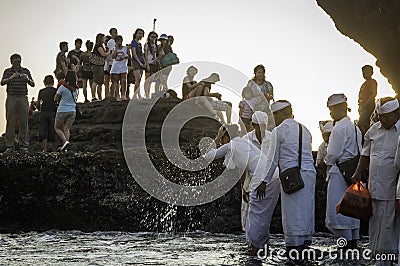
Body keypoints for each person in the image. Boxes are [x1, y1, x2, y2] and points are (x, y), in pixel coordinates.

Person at [253, 100, 316, 263]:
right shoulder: (305, 129)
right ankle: (305, 244)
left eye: (275, 115)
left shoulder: (278, 131)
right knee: (306, 210)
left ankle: (293, 249)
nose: (274, 119)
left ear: (280, 114)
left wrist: (263, 181)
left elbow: (273, 159)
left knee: (292, 213)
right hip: (309, 175)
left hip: (292, 177)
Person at [352, 97, 400, 265]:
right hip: (374, 187)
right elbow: (365, 154)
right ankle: (375, 257)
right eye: (380, 116)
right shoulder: (374, 130)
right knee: (374, 225)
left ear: (396, 113)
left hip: (392, 189)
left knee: (388, 227)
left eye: (386, 116)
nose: (383, 119)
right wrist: (358, 172)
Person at [324, 94, 361, 248]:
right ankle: (353, 241)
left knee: (338, 210)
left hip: (339, 172)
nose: (331, 113)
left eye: (332, 110)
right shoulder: (355, 127)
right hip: (352, 171)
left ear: (339, 108)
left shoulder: (339, 128)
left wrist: (326, 163)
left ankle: (344, 244)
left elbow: (332, 154)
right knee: (352, 209)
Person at [240, 111, 280, 255]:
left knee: (263, 214)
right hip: (251, 180)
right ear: (252, 125)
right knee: (248, 213)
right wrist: (243, 188)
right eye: (258, 126)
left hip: (271, 180)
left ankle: (261, 244)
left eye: (263, 125)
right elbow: (242, 165)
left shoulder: (272, 138)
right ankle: (252, 244)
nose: (261, 129)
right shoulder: (245, 140)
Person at [1, 53, 35, 153]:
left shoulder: (26, 71)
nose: (17, 63)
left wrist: (27, 79)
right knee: (10, 122)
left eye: (19, 61)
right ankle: (10, 146)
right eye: (15, 61)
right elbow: (2, 82)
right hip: (11, 97)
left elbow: (33, 84)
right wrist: (11, 78)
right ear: (11, 62)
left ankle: (24, 146)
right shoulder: (7, 71)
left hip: (23, 97)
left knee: (24, 122)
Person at [54, 71, 78, 152]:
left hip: (62, 110)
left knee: (57, 128)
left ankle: (65, 142)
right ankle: (66, 147)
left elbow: (56, 99)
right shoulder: (76, 89)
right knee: (66, 129)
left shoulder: (62, 87)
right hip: (72, 110)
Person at [247, 64, 275, 131]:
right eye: (258, 72)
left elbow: (271, 96)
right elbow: (246, 94)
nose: (260, 74)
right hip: (252, 109)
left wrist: (265, 97)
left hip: (264, 109)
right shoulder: (250, 83)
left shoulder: (268, 84)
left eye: (261, 72)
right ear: (255, 73)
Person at [37, 75, 58, 152]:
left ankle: (44, 149)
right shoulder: (55, 90)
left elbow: (38, 104)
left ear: (44, 82)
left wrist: (38, 108)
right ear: (53, 82)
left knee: (43, 131)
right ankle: (54, 149)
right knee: (53, 130)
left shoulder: (41, 91)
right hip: (53, 111)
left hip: (43, 112)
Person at [358, 65, 377, 136]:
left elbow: (373, 94)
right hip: (363, 106)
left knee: (362, 123)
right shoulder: (364, 84)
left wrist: (365, 105)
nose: (365, 74)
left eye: (367, 72)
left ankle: (366, 137)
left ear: (371, 73)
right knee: (362, 122)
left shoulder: (372, 82)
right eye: (363, 72)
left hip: (368, 106)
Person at [110, 35, 130, 100]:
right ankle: (117, 95)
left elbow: (129, 56)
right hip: (115, 67)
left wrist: (123, 57)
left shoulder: (125, 48)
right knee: (116, 82)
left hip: (123, 67)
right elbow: (113, 56)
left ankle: (123, 95)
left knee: (123, 81)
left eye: (120, 41)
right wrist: (116, 48)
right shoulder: (114, 48)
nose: (119, 42)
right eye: (117, 41)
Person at [90, 33, 107, 101]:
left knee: (100, 83)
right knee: (96, 81)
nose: (104, 39)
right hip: (97, 65)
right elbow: (103, 54)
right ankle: (94, 97)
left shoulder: (98, 45)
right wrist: (109, 53)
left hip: (99, 66)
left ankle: (99, 98)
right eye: (104, 38)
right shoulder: (98, 45)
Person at [144, 31, 160, 98]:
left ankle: (153, 94)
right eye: (152, 37)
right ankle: (147, 94)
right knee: (148, 80)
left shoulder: (156, 46)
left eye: (155, 37)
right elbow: (145, 55)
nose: (153, 38)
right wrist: (146, 64)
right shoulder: (147, 45)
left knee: (155, 79)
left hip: (155, 64)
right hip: (149, 63)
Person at [131, 28, 146, 99]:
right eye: (139, 33)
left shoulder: (140, 44)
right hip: (136, 62)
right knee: (137, 79)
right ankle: (135, 95)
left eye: (142, 33)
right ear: (136, 34)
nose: (141, 35)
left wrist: (144, 62)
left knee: (139, 80)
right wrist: (139, 62)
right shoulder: (134, 42)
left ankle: (139, 94)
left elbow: (142, 54)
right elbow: (134, 53)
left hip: (141, 62)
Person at [105, 28, 118, 98]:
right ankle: (112, 95)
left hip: (116, 62)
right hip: (112, 62)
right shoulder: (111, 42)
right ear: (111, 33)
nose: (115, 33)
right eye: (114, 32)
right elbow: (111, 52)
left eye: (116, 32)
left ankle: (115, 95)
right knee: (113, 79)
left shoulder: (116, 41)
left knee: (116, 79)